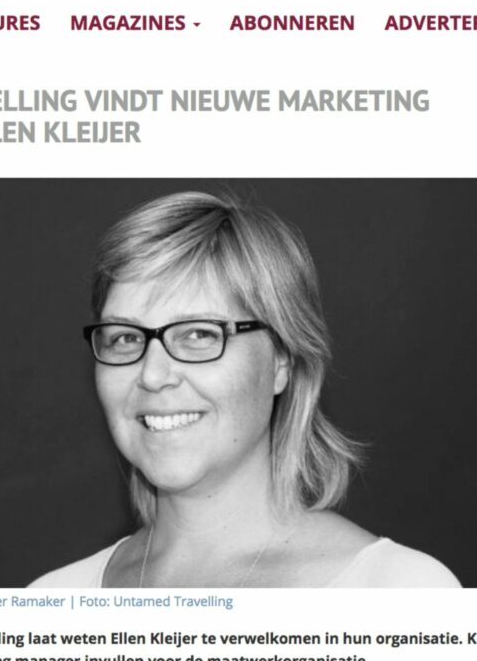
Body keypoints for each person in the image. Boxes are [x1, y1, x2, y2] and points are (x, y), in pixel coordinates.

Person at [29, 191, 460, 588]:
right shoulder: (52, 598)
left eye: (198, 334)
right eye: (125, 337)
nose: (153, 375)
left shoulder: (401, 590)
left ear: (282, 360)